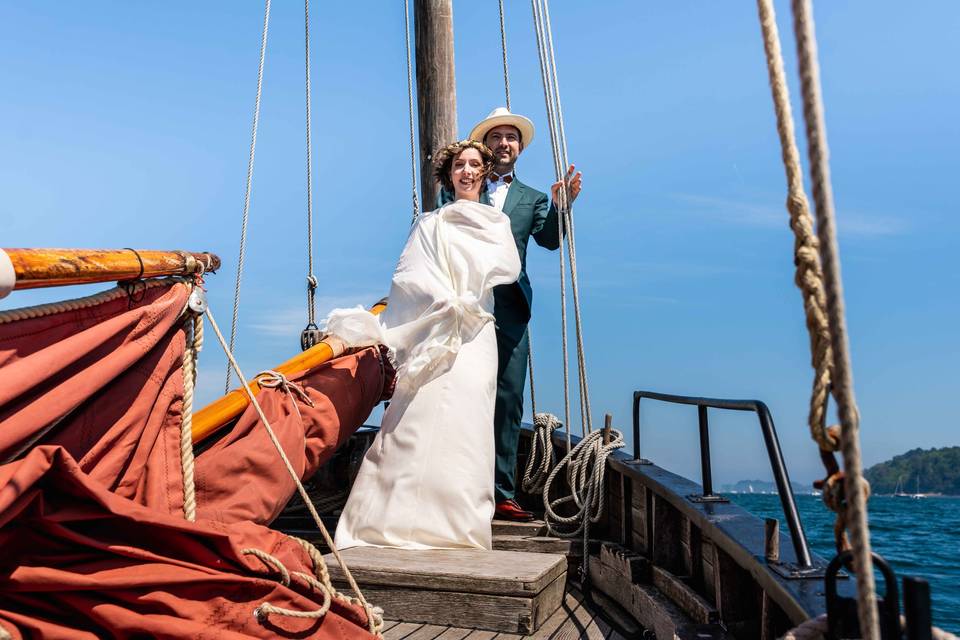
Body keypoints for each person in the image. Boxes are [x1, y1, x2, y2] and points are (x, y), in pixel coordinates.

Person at [330, 140, 521, 550]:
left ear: (485, 172)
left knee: (467, 424)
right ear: (449, 175)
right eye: (459, 166)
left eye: (474, 165)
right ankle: (390, 521)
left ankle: (459, 527)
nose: (466, 171)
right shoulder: (429, 224)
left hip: (475, 334)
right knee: (417, 416)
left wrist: (464, 300)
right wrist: (442, 301)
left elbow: (507, 266)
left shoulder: (497, 223)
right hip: (437, 325)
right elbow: (408, 278)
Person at [437, 108, 582, 522]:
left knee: (507, 399)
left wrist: (562, 206)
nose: (504, 143)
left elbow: (550, 241)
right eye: (497, 136)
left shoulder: (532, 198)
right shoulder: (462, 187)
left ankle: (502, 493)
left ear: (519, 148)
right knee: (454, 391)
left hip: (511, 311)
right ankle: (453, 488)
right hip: (461, 305)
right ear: (486, 144)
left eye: (511, 138)